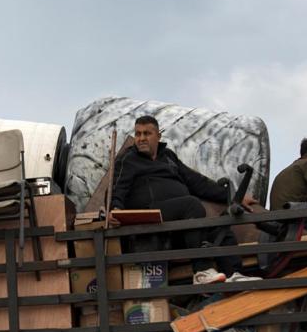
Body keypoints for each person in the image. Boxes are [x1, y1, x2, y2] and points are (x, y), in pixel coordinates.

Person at [109, 115, 259, 284]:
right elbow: (118, 187)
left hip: (177, 226)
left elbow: (195, 181)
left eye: (147, 133)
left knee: (220, 226)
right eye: (138, 134)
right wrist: (116, 209)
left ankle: (235, 275)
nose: (141, 138)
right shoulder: (128, 159)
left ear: (158, 136)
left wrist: (231, 196)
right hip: (149, 218)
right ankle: (201, 271)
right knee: (191, 205)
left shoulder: (168, 157)